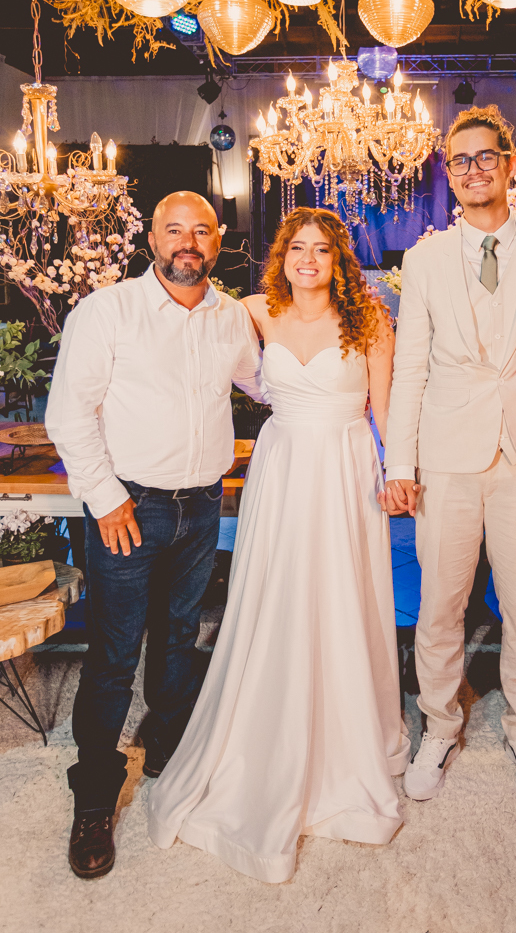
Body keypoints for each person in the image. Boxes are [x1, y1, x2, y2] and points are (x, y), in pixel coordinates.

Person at [148, 208, 409, 884]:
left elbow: (386, 408)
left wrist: (400, 470)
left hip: (346, 467)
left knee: (343, 593)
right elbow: (201, 350)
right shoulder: (254, 311)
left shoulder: (370, 319)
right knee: (280, 591)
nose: (308, 259)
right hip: (283, 463)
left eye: (322, 249)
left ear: (339, 259)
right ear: (282, 257)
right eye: (298, 248)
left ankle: (349, 731)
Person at [45, 192, 263, 881]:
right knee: (114, 651)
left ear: (218, 240)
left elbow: (263, 385)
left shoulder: (232, 317)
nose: (187, 241)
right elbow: (68, 414)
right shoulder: (107, 311)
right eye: (174, 230)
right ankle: (94, 794)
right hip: (129, 508)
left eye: (200, 230)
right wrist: (107, 500)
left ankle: (168, 742)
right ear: (153, 241)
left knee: (178, 635)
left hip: (202, 505)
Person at [383, 105, 516, 806]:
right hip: (448, 455)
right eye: (460, 160)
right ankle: (439, 725)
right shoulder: (425, 258)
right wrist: (400, 465)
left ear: (510, 163)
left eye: (486, 156)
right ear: (448, 173)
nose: (473, 170)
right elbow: (411, 367)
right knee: (440, 605)